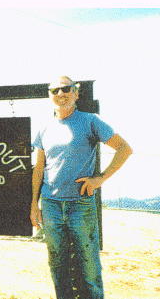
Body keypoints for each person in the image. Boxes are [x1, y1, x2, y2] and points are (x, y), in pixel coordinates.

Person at [31, 76, 132, 299]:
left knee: (88, 265)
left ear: (76, 93)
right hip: (51, 204)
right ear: (49, 96)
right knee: (58, 264)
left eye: (66, 89)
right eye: (54, 90)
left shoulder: (90, 121)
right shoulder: (44, 128)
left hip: (81, 204)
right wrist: (33, 205)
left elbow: (124, 148)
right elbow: (39, 168)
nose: (60, 94)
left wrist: (100, 179)